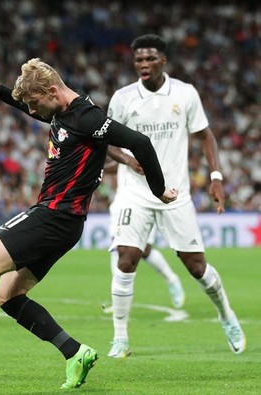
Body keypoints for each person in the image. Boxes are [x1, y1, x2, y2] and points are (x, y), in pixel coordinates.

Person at [0, 58, 178, 390]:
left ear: (52, 91)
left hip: (53, 215)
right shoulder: (61, 110)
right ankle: (75, 353)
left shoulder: (88, 117)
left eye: (35, 103)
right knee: (8, 296)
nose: (34, 111)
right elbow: (31, 106)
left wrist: (160, 191)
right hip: (66, 223)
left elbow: (140, 143)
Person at [106, 34, 245, 358]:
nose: (143, 64)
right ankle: (121, 338)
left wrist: (215, 177)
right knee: (126, 257)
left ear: (163, 61)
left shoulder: (184, 94)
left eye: (150, 59)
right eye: (139, 59)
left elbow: (205, 134)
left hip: (175, 193)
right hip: (135, 193)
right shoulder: (123, 98)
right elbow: (105, 139)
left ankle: (226, 315)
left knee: (196, 267)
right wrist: (127, 161)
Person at [105, 148, 185, 309]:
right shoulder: (124, 135)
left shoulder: (154, 142)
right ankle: (118, 298)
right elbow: (119, 164)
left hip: (146, 200)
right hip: (122, 201)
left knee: (144, 250)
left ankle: (171, 279)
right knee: (117, 246)